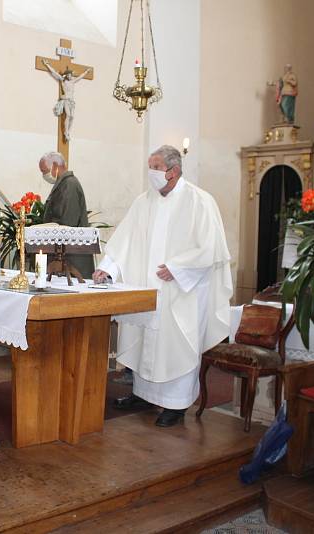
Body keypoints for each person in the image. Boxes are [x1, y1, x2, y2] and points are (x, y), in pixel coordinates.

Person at [92, 145, 232, 427]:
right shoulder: (144, 202)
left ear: (174, 171)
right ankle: (143, 395)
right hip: (149, 288)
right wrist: (107, 268)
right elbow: (125, 240)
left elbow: (211, 247)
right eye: (150, 166)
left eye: (156, 167)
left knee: (177, 343)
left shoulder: (200, 201)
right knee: (145, 341)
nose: (151, 173)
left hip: (182, 290)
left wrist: (179, 268)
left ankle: (176, 405)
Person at [39, 151, 95, 278]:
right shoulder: (63, 184)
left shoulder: (69, 185)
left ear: (54, 166)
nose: (44, 175)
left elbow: (68, 224)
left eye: (44, 171)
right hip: (65, 258)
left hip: (72, 261)